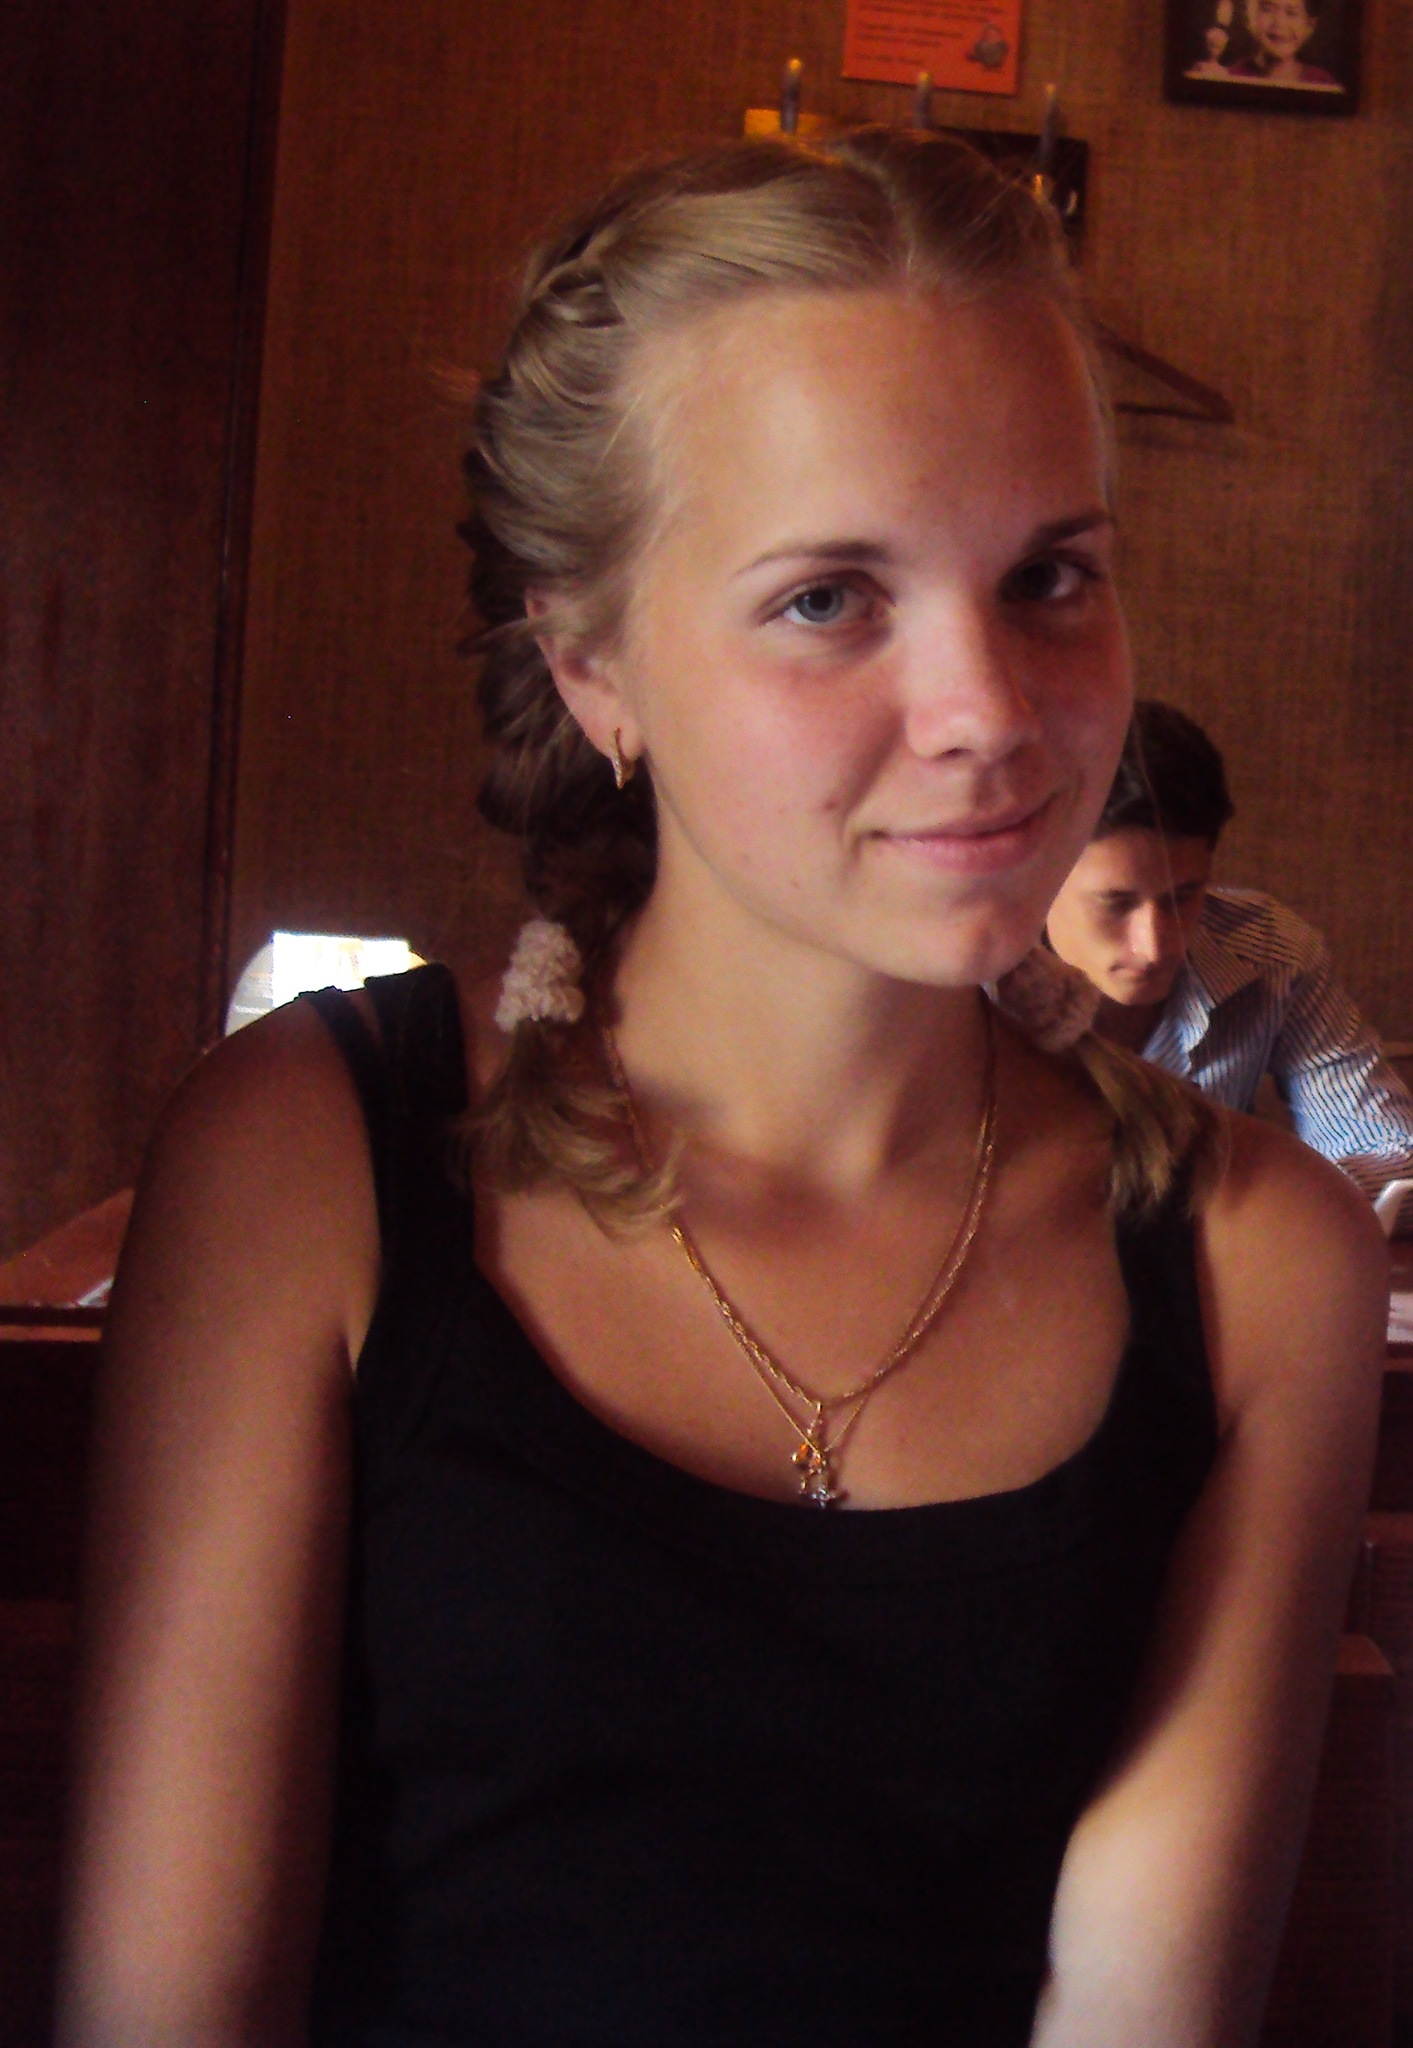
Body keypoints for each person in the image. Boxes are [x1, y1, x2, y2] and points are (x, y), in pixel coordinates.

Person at [57, 131, 1385, 2048]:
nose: (990, 710)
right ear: (590, 662)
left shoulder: (1259, 1263)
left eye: (1048, 575)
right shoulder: (311, 1157)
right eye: (827, 596)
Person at [1046, 698, 1413, 1228]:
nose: (1155, 946)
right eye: (1116, 903)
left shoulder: (1272, 955)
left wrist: (1272, 1202)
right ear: (1036, 875)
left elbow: (1392, 1155)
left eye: (1183, 896)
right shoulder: (960, 987)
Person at [1225, 0, 1342, 87]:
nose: (1280, 22)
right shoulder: (1230, 78)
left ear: (1310, 26)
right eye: (1267, 9)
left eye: (1291, 13)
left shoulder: (1323, 84)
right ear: (1247, 17)